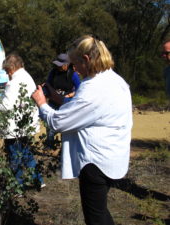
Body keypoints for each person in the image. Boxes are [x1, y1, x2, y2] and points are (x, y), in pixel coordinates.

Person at [32, 35, 132, 225]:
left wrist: (42, 103)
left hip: (96, 163)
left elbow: (58, 123)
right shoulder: (114, 79)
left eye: (75, 63)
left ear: (86, 59)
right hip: (113, 155)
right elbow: (83, 108)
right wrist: (59, 99)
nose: (73, 69)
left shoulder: (93, 89)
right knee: (100, 212)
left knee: (95, 217)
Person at [0, 53, 45, 187]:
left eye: (7, 70)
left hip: (14, 125)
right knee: (26, 152)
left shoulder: (13, 82)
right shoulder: (27, 77)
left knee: (14, 155)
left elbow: (6, 106)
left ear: (12, 67)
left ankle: (17, 185)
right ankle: (38, 180)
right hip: (26, 122)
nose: (7, 73)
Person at [44, 53, 81, 148]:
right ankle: (50, 145)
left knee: (64, 125)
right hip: (53, 102)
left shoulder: (73, 75)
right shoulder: (53, 72)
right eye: (57, 65)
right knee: (50, 126)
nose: (58, 67)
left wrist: (71, 95)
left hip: (66, 103)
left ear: (67, 65)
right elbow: (48, 84)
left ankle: (64, 146)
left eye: (60, 65)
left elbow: (80, 89)